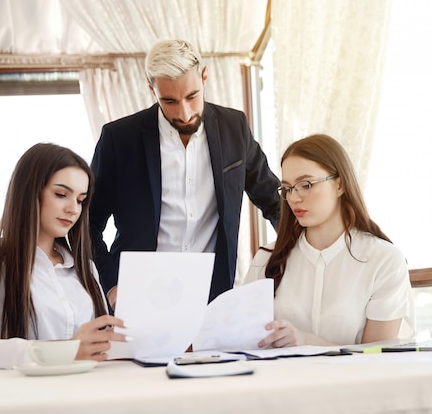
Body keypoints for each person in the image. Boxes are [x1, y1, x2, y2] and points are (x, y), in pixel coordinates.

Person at [89, 39, 281, 307]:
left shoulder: (234, 128)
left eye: (192, 96)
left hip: (213, 297)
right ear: (151, 88)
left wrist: (296, 253)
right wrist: (111, 286)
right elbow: (87, 225)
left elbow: (274, 200)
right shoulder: (119, 139)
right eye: (169, 101)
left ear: (204, 77)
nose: (184, 112)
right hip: (138, 295)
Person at [0, 143, 128, 378]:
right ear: (29, 192)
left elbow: (101, 345)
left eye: (80, 199)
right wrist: (65, 350)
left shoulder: (85, 269)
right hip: (21, 400)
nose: (73, 209)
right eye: (61, 194)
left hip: (86, 393)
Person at [243, 134, 414, 347]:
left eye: (305, 185)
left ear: (340, 185)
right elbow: (244, 346)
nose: (294, 198)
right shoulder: (265, 260)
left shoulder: (384, 260)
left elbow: (377, 361)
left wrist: (306, 342)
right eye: (287, 188)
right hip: (276, 380)